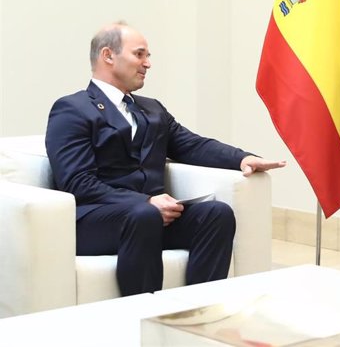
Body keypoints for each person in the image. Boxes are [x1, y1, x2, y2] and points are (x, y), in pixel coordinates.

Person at [45, 22, 286, 297]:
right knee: (144, 215)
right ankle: (144, 320)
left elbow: (191, 145)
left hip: (150, 217)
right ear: (108, 55)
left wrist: (243, 158)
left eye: (148, 56)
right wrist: (144, 201)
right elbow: (77, 182)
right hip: (97, 221)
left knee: (216, 214)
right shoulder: (72, 109)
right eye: (139, 54)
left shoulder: (151, 109)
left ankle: (199, 313)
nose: (147, 63)